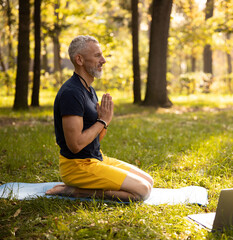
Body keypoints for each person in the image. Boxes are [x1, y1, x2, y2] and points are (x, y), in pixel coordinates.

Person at [46, 35, 153, 201]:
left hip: (95, 158)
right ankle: (75, 191)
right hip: (76, 166)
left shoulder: (89, 89)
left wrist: (105, 122)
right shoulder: (71, 93)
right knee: (141, 191)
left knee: (149, 182)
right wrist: (102, 121)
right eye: (97, 56)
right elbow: (75, 146)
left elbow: (96, 138)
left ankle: (78, 187)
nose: (103, 60)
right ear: (79, 59)